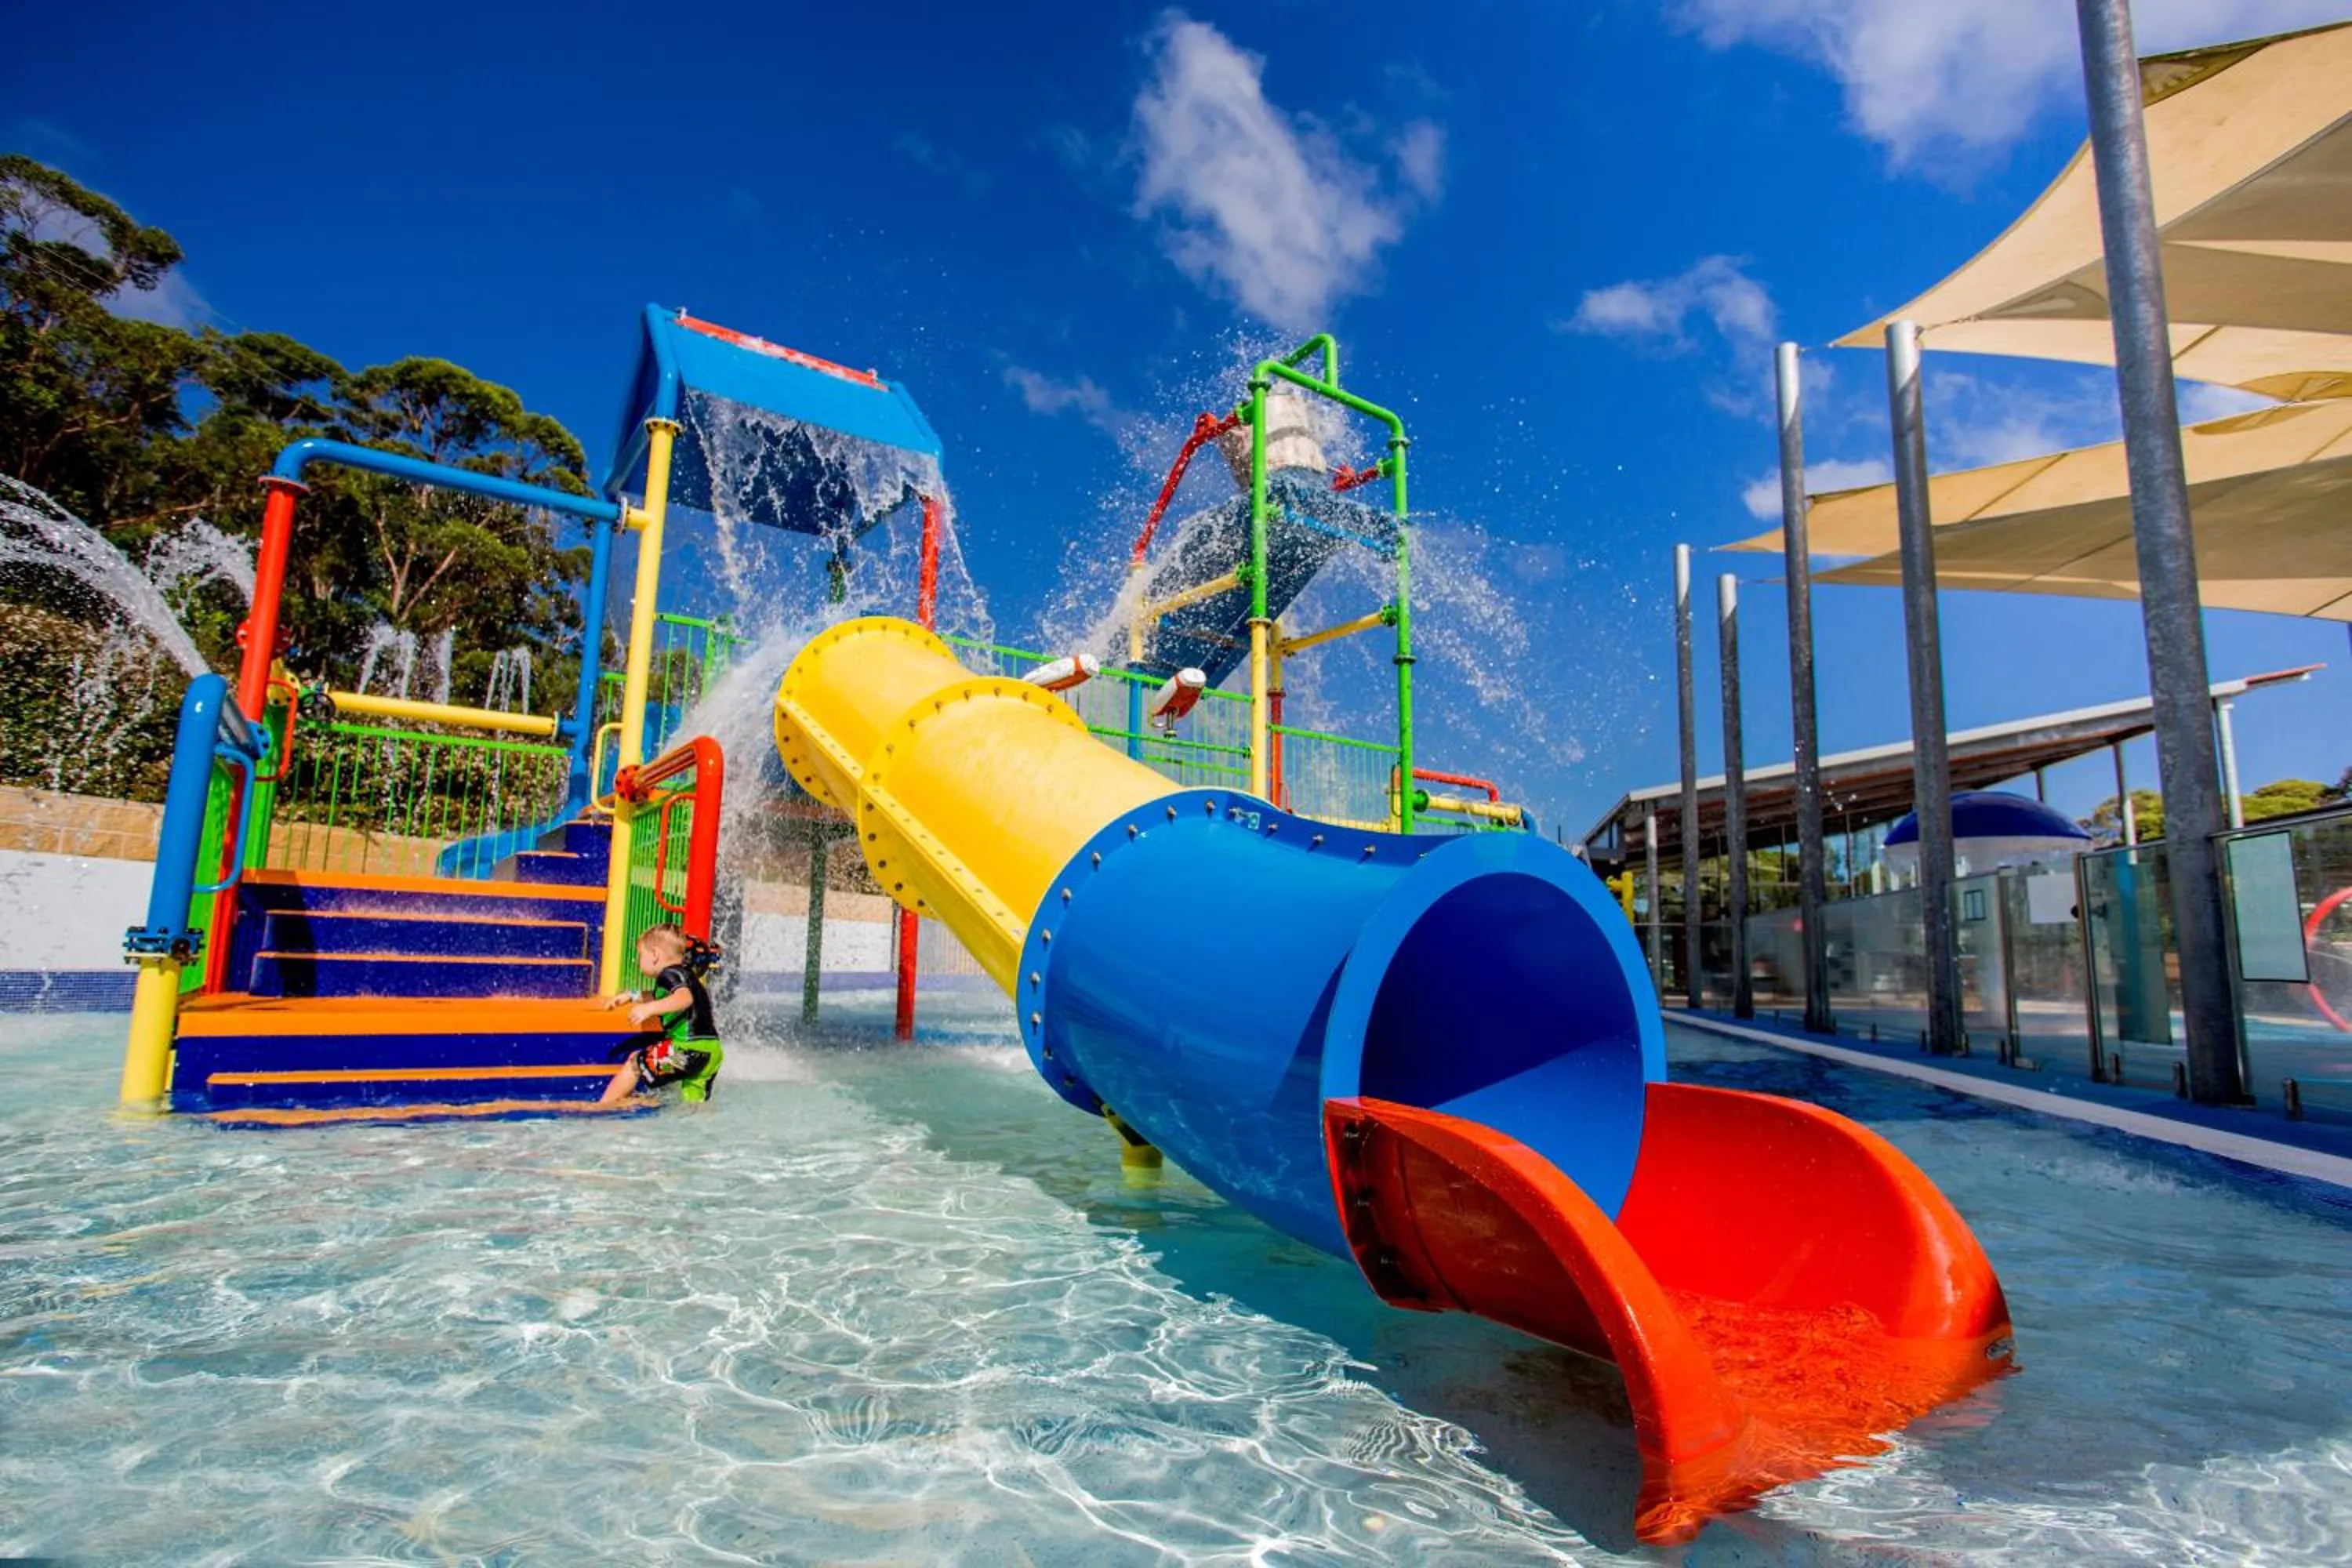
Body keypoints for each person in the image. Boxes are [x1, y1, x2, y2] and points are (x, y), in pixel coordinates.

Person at [601, 924, 724, 1104]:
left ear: (655, 955)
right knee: (693, 1103)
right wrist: (631, 996)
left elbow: (684, 998)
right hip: (711, 1050)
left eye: (641, 955)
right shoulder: (685, 975)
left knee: (635, 1063)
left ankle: (605, 1104)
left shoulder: (669, 974)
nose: (639, 961)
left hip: (687, 1049)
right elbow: (661, 995)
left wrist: (648, 1009)